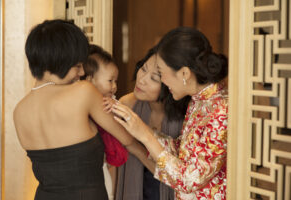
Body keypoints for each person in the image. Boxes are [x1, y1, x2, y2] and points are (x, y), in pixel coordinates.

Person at [13, 19, 134, 200]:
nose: (82, 73)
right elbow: (125, 137)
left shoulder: (19, 111)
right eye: (77, 65)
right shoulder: (82, 92)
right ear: (60, 59)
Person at [111, 27, 228, 200]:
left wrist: (145, 136)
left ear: (184, 73)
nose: (164, 81)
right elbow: (181, 151)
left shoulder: (219, 110)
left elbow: (189, 180)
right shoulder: (199, 100)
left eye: (161, 73)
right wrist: (142, 128)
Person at [106, 46, 189, 200]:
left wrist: (135, 146)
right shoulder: (127, 105)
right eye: (143, 69)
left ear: (170, 84)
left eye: (154, 78)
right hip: (135, 189)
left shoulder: (185, 117)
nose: (142, 80)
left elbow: (179, 178)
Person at [81, 44, 128, 199]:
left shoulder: (110, 101)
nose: (114, 86)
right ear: (89, 80)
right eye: (110, 80)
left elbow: (122, 121)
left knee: (108, 189)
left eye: (116, 81)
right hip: (91, 161)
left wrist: (115, 106)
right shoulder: (81, 101)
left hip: (108, 157)